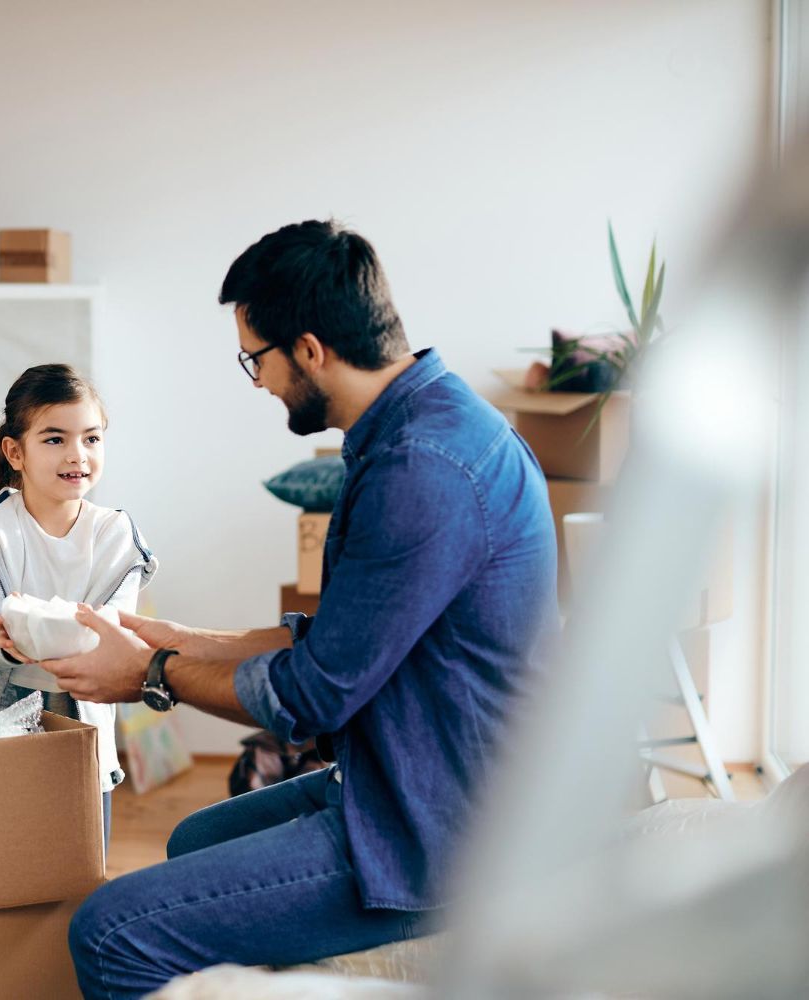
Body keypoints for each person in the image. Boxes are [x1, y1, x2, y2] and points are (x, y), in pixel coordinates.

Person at [42, 220, 557, 998]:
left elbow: (311, 697)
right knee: (192, 839)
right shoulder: (430, 423)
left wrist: (150, 673)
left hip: (438, 833)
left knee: (108, 933)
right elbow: (346, 641)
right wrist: (184, 638)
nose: (257, 381)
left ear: (310, 349)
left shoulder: (421, 470)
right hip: (415, 779)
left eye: (258, 357)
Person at [0, 364, 158, 845]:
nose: (77, 455)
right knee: (2, 864)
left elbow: (113, 636)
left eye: (91, 439)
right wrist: (3, 640)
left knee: (82, 867)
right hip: (0, 716)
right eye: (54, 439)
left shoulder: (117, 534)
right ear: (15, 451)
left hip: (83, 721)